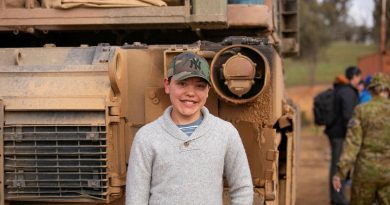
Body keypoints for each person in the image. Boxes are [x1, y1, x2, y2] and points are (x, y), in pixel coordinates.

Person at [125, 52, 253, 205]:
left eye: (200, 86)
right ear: (167, 85)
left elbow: (242, 189)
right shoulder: (146, 137)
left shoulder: (225, 133)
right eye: (182, 83)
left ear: (208, 91)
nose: (190, 93)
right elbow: (136, 198)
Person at [333, 73, 390, 205]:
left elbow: (352, 145)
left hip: (365, 173)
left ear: (370, 90)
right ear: (387, 90)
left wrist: (340, 173)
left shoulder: (361, 110)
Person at [325, 66, 362, 205]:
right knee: (337, 166)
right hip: (339, 134)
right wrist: (355, 131)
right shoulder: (348, 92)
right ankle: (338, 198)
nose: (360, 80)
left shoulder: (342, 89)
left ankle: (337, 197)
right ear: (355, 77)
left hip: (336, 132)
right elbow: (348, 115)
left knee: (337, 165)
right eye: (359, 77)